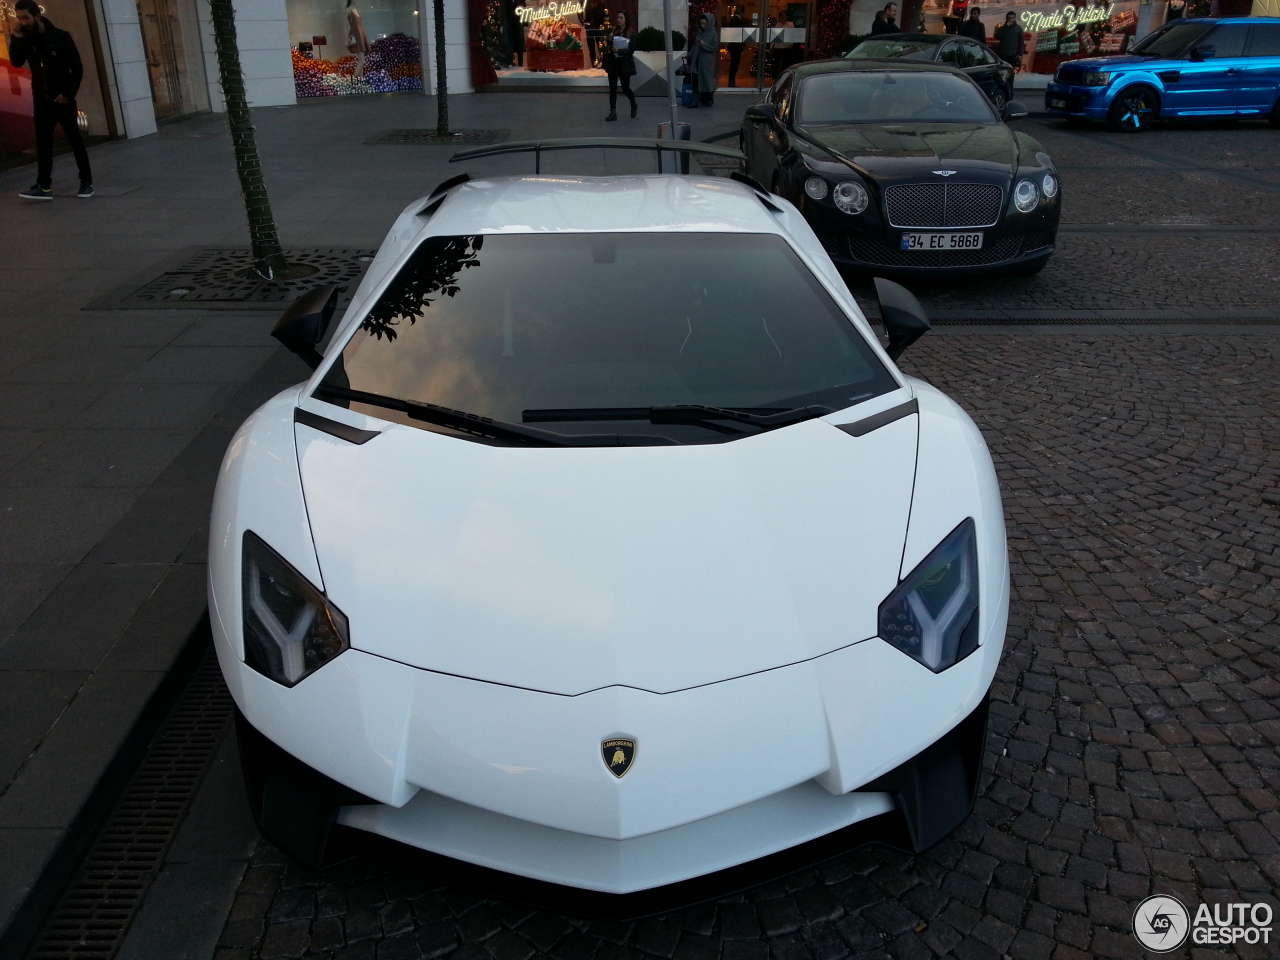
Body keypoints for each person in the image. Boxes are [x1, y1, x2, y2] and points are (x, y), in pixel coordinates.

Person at [5, 0, 93, 200]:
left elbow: (77, 67)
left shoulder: (60, 37)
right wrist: (16, 38)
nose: (22, 22)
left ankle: (86, 182)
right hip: (42, 100)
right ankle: (44, 186)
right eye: (19, 17)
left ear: (37, 16)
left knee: (75, 141)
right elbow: (16, 62)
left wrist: (68, 94)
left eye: (25, 17)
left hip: (63, 100)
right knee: (43, 143)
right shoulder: (27, 39)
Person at [602, 10, 637, 121]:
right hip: (613, 63)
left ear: (625, 19)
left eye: (621, 18)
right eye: (617, 18)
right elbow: (609, 47)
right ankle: (613, 112)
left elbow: (631, 50)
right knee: (612, 88)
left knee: (625, 87)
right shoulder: (614, 31)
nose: (619, 20)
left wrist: (620, 51)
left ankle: (633, 103)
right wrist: (610, 39)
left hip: (624, 63)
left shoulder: (631, 33)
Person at [686, 13, 719, 107]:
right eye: (701, 23)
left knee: (706, 80)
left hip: (706, 61)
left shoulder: (713, 33)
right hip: (697, 60)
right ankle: (696, 100)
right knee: (696, 79)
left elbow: (714, 48)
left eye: (704, 24)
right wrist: (689, 54)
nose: (702, 26)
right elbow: (695, 46)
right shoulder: (700, 32)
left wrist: (704, 44)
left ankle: (707, 99)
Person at [725, 6, 746, 87]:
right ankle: (731, 82)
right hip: (735, 46)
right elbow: (737, 33)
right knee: (734, 64)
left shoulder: (735, 19)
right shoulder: (736, 20)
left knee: (734, 64)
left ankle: (732, 82)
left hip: (735, 46)